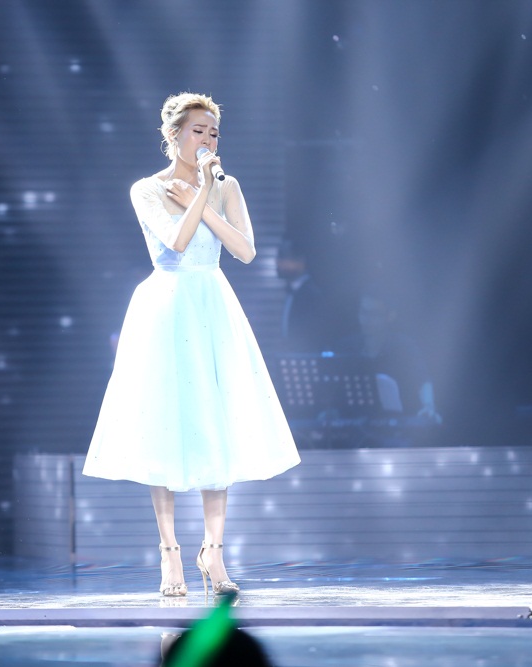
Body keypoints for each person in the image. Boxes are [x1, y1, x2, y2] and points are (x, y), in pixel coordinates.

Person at [82, 92, 300, 598]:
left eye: (214, 133)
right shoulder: (146, 189)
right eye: (198, 131)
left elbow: (245, 251)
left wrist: (204, 194)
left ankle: (214, 553)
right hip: (167, 305)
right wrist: (197, 195)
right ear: (173, 134)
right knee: (164, 426)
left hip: (212, 305)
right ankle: (169, 552)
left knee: (213, 424)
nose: (208, 140)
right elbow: (176, 243)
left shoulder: (226, 186)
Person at [334, 284, 441, 423]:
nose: (366, 320)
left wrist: (428, 406)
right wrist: (330, 411)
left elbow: (422, 380)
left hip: (398, 425)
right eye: (363, 312)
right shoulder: (345, 347)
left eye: (374, 314)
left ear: (390, 316)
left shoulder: (404, 347)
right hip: (355, 425)